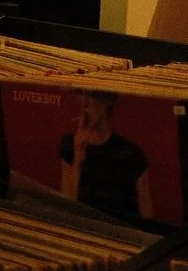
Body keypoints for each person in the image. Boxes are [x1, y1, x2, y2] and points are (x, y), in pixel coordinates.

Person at [59, 91, 152, 221]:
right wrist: (78, 156)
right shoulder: (70, 145)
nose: (84, 103)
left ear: (106, 103)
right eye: (81, 96)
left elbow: (146, 216)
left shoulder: (131, 153)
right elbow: (68, 207)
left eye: (91, 96)